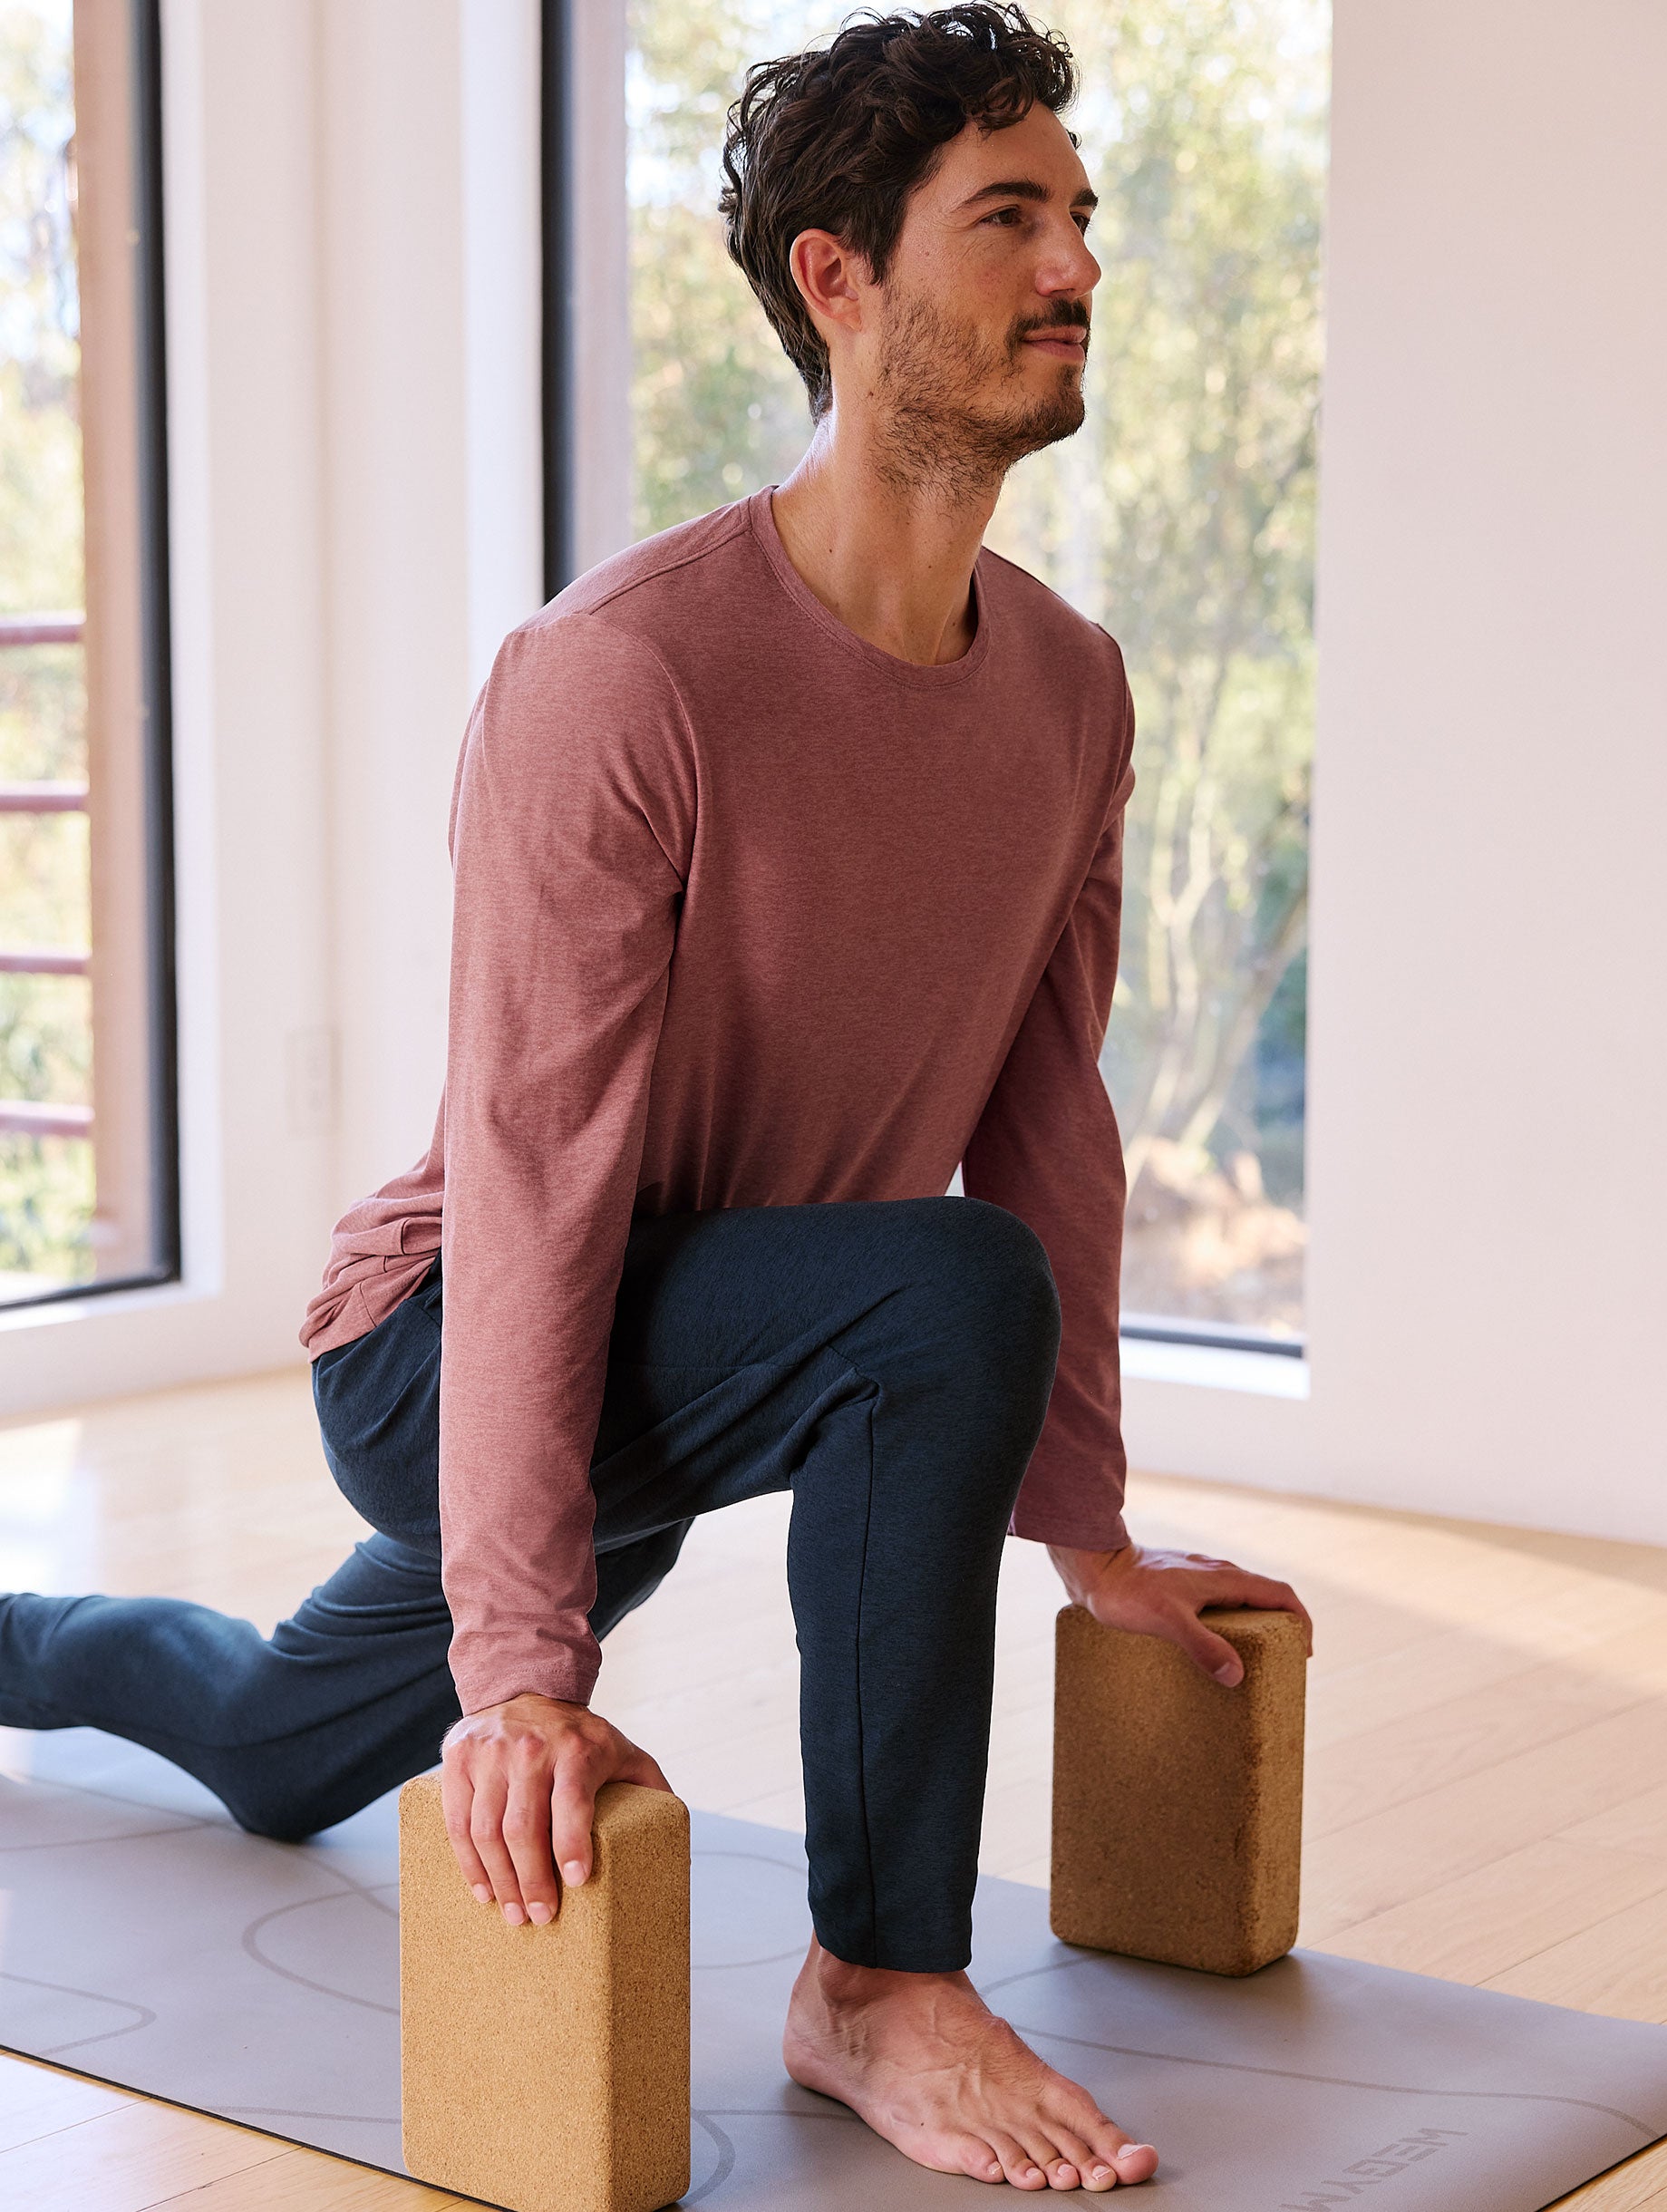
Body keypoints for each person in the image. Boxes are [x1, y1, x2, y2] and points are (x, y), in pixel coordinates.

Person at [0, 5, 1311, 2191]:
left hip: (685, 1352)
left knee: (260, 1739)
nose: (1074, 266)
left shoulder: (1073, 690)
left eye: (1081, 218)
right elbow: (529, 1176)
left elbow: (1052, 1112)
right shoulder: (623, 674)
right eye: (1008, 219)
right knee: (943, 1290)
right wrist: (524, 1665)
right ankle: (879, 1976)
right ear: (836, 276)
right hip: (451, 1341)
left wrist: (1082, 1530)